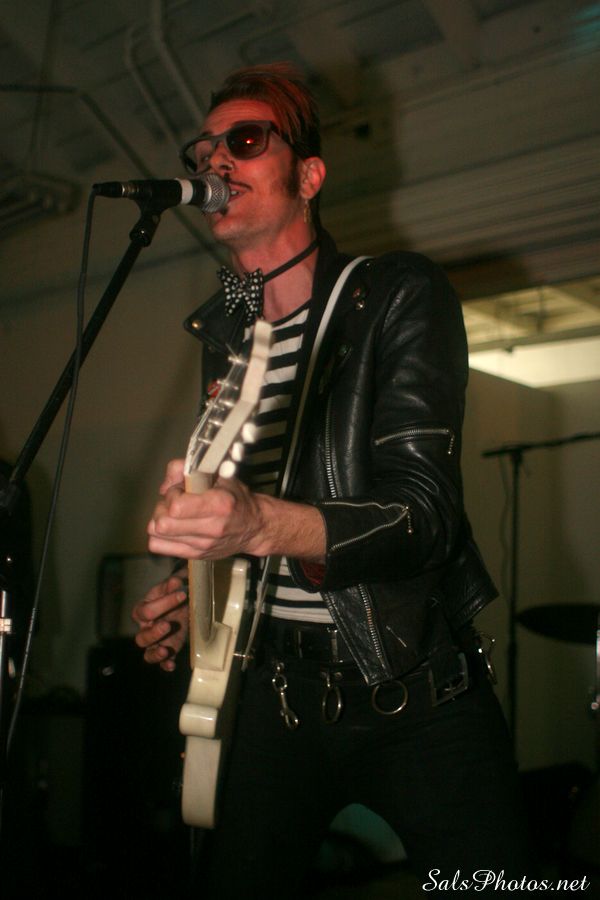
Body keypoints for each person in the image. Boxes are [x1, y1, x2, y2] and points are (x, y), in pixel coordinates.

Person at [132, 63, 532, 897]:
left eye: (246, 140)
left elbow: (423, 515)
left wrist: (256, 525)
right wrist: (196, 595)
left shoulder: (394, 293)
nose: (215, 162)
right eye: (204, 149)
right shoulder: (230, 337)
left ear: (309, 176)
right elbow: (246, 521)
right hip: (272, 694)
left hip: (414, 694)